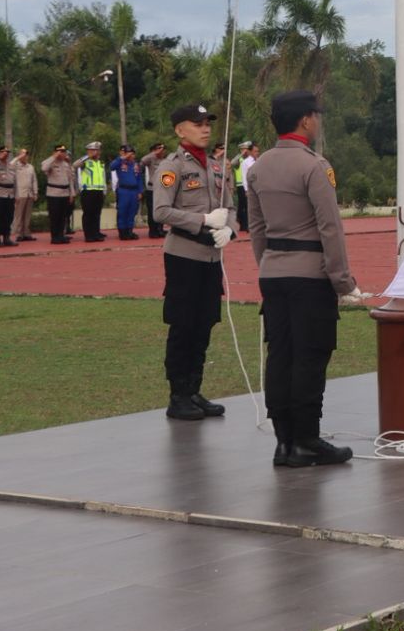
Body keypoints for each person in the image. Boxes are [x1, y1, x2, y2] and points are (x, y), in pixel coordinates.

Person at [248, 90, 358, 468]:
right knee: (310, 356)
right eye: (316, 116)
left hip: (273, 273)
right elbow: (330, 228)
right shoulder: (314, 166)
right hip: (310, 276)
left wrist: (268, 264)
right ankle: (307, 440)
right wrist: (343, 281)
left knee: (281, 355)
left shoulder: (259, 167)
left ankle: (284, 442)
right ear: (306, 120)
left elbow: (257, 228)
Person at [152, 103, 235, 420]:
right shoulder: (171, 166)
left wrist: (229, 229)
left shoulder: (216, 166)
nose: (205, 128)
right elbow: (161, 212)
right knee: (183, 326)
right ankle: (178, 396)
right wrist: (202, 220)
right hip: (184, 255)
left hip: (211, 257)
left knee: (204, 325)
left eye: (207, 123)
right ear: (179, 130)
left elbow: (231, 207)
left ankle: (194, 390)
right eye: (198, 123)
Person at [42, 144, 77, 244]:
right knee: (55, 216)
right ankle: (55, 237)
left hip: (65, 193)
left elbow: (70, 180)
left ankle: (61, 235)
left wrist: (72, 193)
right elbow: (44, 168)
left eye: (64, 152)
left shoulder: (66, 164)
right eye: (60, 152)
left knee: (63, 216)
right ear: (55, 152)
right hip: (54, 194)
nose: (62, 154)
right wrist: (54, 157)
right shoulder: (50, 162)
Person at [74, 141, 109, 242]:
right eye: (94, 150)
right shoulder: (85, 162)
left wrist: (104, 190)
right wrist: (87, 156)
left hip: (99, 191)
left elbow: (103, 177)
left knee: (97, 214)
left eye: (98, 150)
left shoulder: (100, 163)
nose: (97, 152)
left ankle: (96, 233)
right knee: (88, 214)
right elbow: (75, 165)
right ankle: (88, 235)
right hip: (88, 191)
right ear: (89, 151)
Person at [110, 144, 145, 240]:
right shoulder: (120, 162)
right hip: (123, 190)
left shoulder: (135, 165)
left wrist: (140, 191)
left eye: (132, 154)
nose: (131, 156)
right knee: (122, 211)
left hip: (134, 191)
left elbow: (139, 179)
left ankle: (129, 231)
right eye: (129, 153)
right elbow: (112, 166)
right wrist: (123, 157)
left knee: (132, 211)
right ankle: (122, 232)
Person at [141, 142, 169, 238]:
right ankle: (153, 231)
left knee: (162, 210)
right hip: (152, 189)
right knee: (152, 211)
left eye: (163, 149)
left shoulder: (166, 161)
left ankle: (160, 229)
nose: (162, 151)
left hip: (163, 189)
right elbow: (142, 161)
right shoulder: (151, 158)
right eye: (159, 148)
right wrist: (154, 153)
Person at [11, 147, 38, 242]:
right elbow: (10, 165)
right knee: (19, 215)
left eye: (26, 154)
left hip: (29, 194)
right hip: (20, 194)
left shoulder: (30, 167)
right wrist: (18, 157)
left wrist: (35, 192)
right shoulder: (16, 166)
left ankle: (27, 233)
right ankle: (19, 234)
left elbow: (34, 180)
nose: (25, 156)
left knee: (27, 215)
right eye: (23, 154)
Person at [232, 141, 256, 234]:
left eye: (247, 149)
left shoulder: (252, 159)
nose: (246, 151)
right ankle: (243, 225)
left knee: (245, 206)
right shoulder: (240, 159)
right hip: (241, 185)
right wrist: (241, 154)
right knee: (243, 206)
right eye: (244, 149)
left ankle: (245, 225)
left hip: (247, 185)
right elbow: (233, 163)